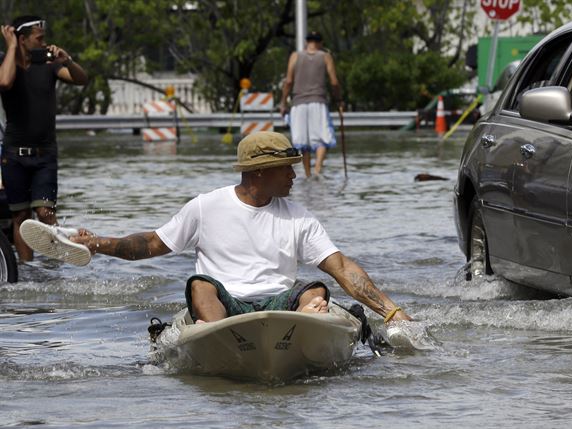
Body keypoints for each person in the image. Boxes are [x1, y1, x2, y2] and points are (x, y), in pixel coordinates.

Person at [70, 131, 411, 324]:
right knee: (201, 286)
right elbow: (150, 245)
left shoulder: (299, 216)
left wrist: (391, 312)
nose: (295, 175)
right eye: (286, 169)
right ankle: (218, 333)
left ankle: (305, 321)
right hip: (225, 305)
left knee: (315, 288)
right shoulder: (205, 206)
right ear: (259, 172)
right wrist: (97, 244)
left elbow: (341, 267)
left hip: (279, 305)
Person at [0, 16, 88, 262]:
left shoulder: (50, 65)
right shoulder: (5, 62)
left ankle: (56, 267)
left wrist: (67, 60)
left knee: (46, 213)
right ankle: (27, 271)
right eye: (39, 38)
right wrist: (11, 48)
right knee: (21, 216)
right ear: (22, 39)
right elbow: (4, 82)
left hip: (45, 155)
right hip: (13, 154)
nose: (44, 43)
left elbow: (82, 80)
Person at [280, 31, 342, 178]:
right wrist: (339, 99)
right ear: (320, 43)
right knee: (321, 138)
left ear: (306, 42)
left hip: (298, 103)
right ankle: (317, 170)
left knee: (303, 141)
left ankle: (308, 174)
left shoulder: (295, 56)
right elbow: (334, 82)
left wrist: (283, 102)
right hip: (318, 102)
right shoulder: (325, 57)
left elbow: (288, 81)